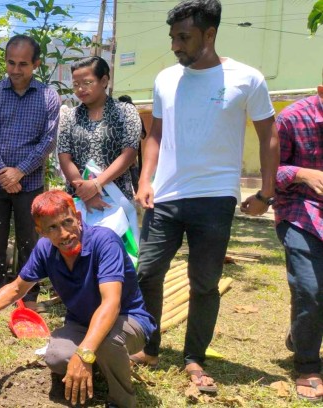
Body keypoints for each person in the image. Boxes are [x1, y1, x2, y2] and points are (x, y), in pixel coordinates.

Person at [131, 0, 279, 393]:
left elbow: (269, 136)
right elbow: (156, 136)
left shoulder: (247, 78)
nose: (176, 46)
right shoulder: (165, 79)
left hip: (215, 198)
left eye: (184, 37)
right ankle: (149, 346)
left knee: (204, 282)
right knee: (147, 272)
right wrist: (146, 180)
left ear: (209, 34)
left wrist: (266, 192)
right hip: (164, 196)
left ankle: (194, 356)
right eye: (173, 38)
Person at [0, 190, 155, 408]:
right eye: (53, 228)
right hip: (81, 323)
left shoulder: (104, 241)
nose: (64, 233)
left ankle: (122, 401)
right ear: (41, 231)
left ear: (78, 216)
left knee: (107, 342)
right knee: (57, 357)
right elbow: (17, 288)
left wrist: (84, 353)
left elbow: (111, 304)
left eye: (67, 222)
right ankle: (100, 366)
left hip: (126, 320)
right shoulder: (45, 249)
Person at [0, 34, 60, 307]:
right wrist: (3, 171)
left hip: (30, 182)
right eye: (10, 63)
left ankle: (28, 295)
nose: (15, 70)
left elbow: (48, 141)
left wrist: (20, 172)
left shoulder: (48, 96)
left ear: (35, 63)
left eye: (23, 64)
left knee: (30, 241)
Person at [273, 78, 323, 402]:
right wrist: (302, 173)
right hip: (300, 212)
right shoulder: (292, 118)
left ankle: (299, 333)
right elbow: (270, 173)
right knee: (311, 288)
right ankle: (307, 364)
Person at [57, 56, 142, 210]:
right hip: (79, 199)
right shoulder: (69, 116)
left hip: (117, 196)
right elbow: (64, 157)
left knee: (116, 234)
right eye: (76, 84)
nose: (80, 89)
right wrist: (85, 191)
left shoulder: (125, 111)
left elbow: (129, 153)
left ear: (103, 81)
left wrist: (97, 184)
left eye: (87, 83)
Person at [117, 95, 147, 193]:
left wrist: (133, 137)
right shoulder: (116, 118)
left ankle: (139, 196)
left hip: (132, 154)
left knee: (135, 176)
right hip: (118, 154)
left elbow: (143, 134)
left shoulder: (136, 116)